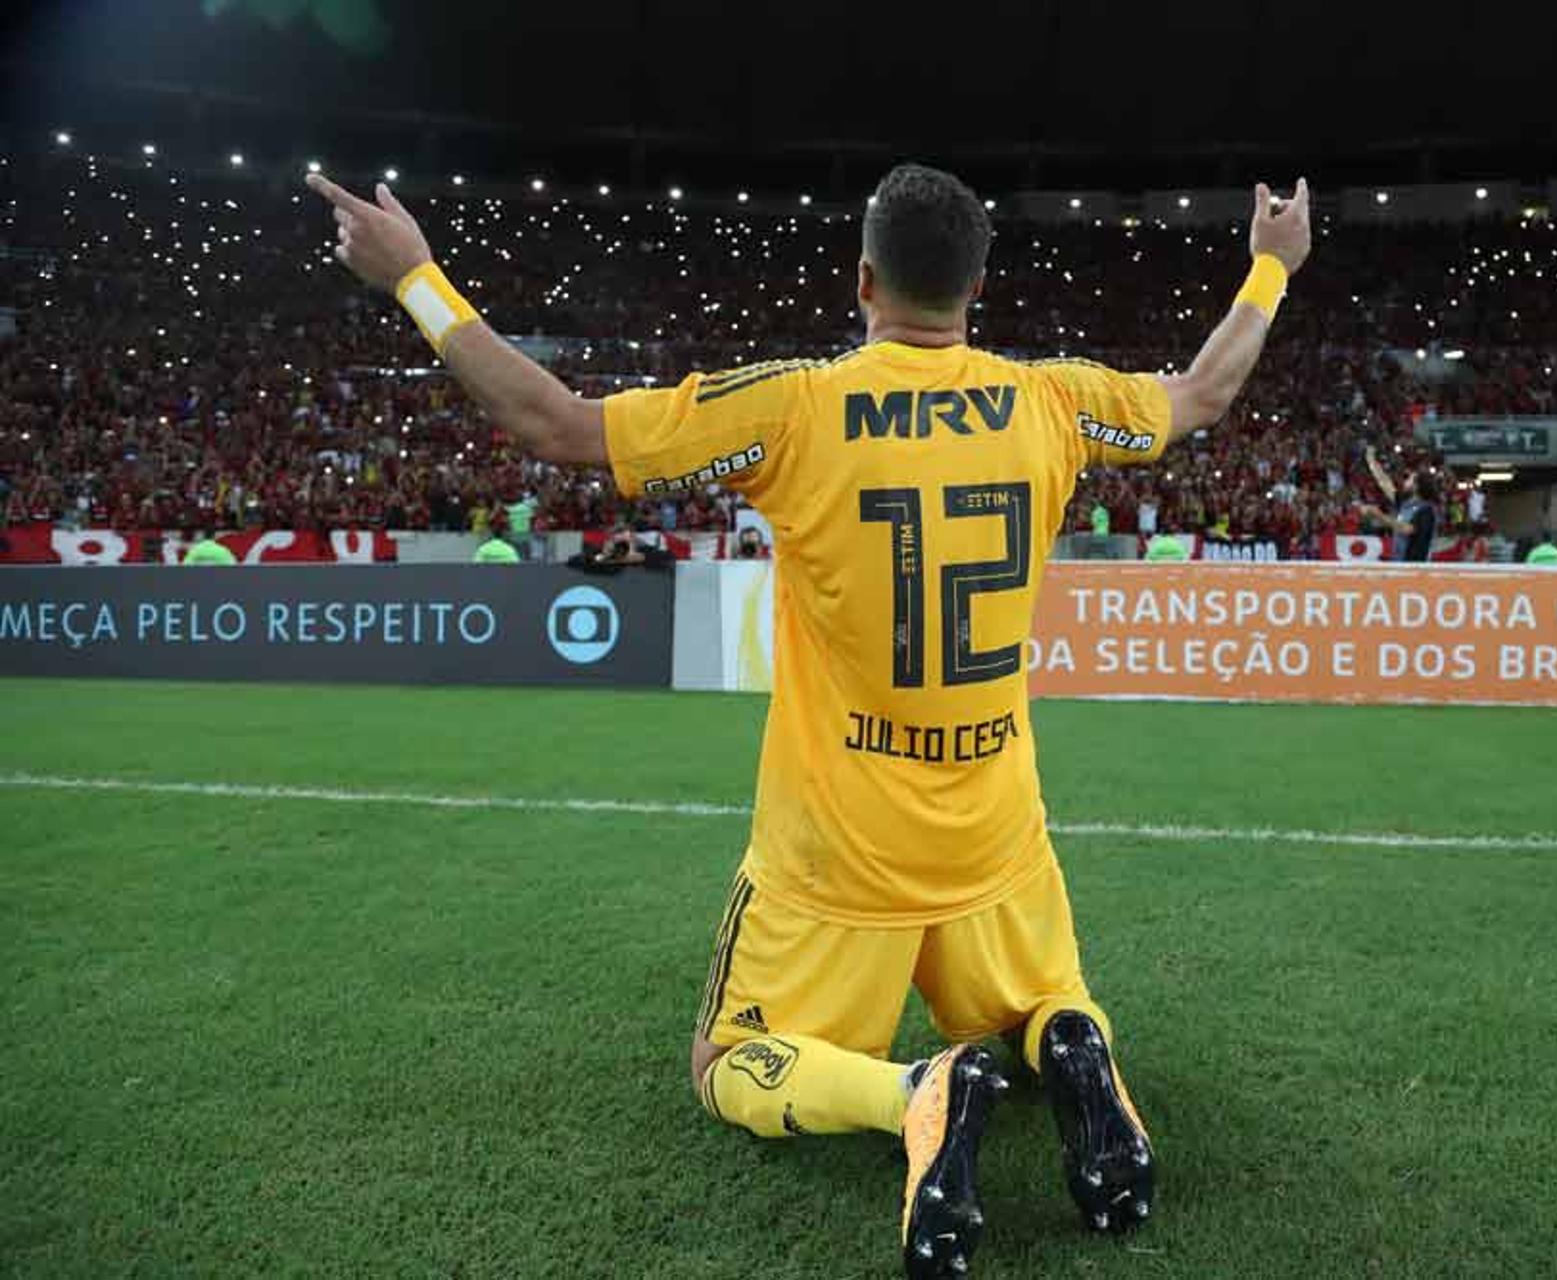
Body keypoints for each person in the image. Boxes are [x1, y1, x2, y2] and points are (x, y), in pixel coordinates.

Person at [310, 161, 1311, 1278]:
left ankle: (915, 1089)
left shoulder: (796, 405)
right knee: (1039, 1000)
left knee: (726, 1059)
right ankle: (1065, 1037)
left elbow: (557, 425)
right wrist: (1271, 262)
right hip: (995, 841)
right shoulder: (1056, 400)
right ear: (976, 287)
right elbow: (1205, 392)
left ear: (864, 279)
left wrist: (416, 279)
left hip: (838, 858)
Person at [1360, 470, 1440, 562]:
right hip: (1398, 561)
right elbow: (1385, 484)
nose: (1405, 481)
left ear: (1416, 486)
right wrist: (1372, 463)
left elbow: (1407, 529)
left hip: (1415, 565)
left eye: (1409, 479)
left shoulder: (1427, 510)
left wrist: (1378, 515)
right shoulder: (1406, 503)